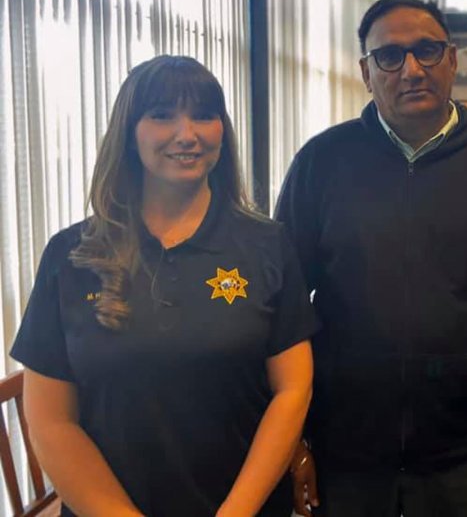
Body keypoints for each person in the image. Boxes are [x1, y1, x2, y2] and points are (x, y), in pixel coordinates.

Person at [275, 0, 467, 517]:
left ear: (452, 60)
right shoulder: (321, 164)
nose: (411, 70)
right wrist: (292, 442)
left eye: (427, 51)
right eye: (389, 56)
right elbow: (282, 310)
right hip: (344, 450)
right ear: (366, 72)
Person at [11, 55, 317, 516]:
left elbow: (292, 389)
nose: (187, 133)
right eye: (162, 115)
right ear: (129, 132)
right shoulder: (72, 254)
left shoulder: (268, 244)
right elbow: (51, 422)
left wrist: (236, 512)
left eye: (204, 114)